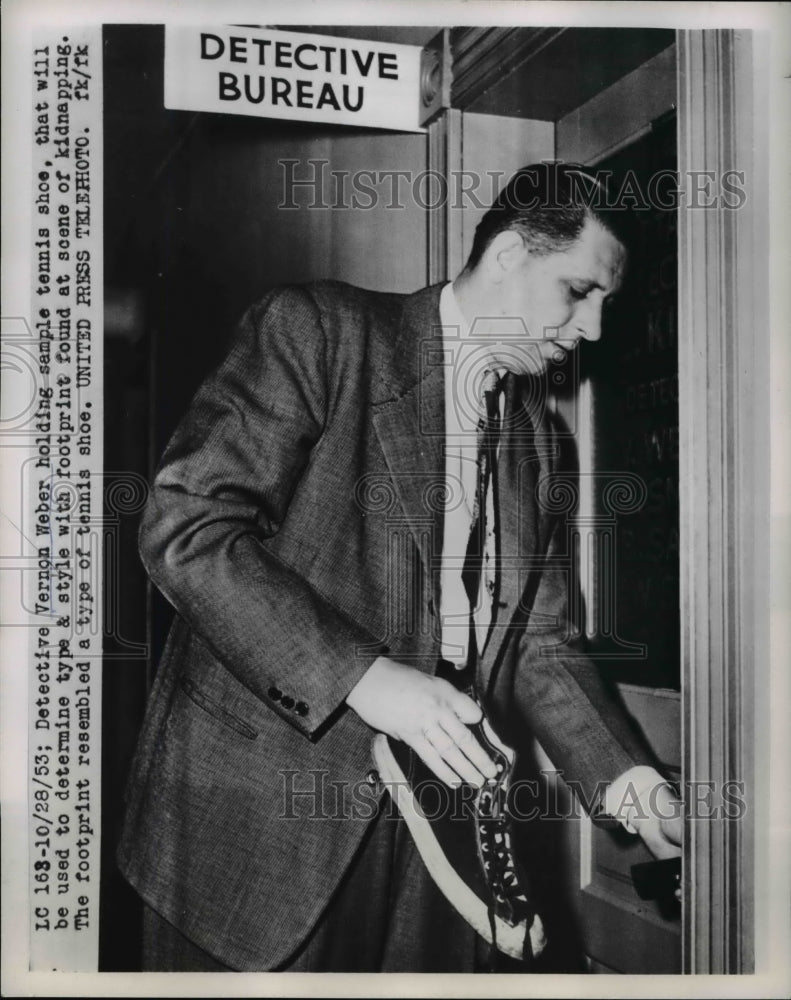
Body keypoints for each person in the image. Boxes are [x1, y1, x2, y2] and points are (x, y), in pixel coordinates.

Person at [117, 162, 682, 973]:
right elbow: (186, 527)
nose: (590, 331)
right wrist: (368, 678)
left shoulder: (540, 444)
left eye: (605, 305)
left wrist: (631, 783)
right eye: (577, 292)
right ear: (512, 255)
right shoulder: (318, 333)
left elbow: (541, 645)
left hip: (434, 841)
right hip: (253, 825)